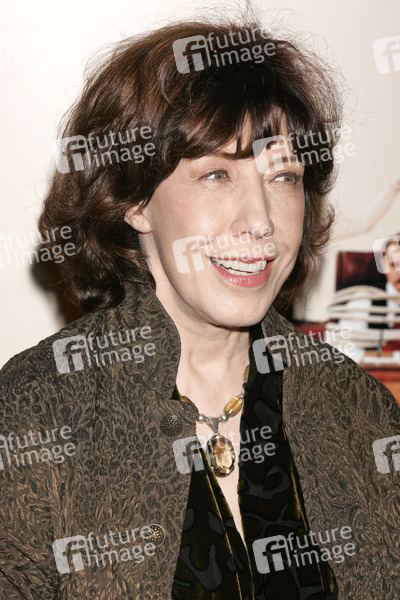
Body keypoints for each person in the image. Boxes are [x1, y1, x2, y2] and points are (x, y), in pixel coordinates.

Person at [1, 18, 400, 600]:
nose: (261, 221)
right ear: (135, 200)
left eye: (284, 177)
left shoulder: (362, 411)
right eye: (217, 174)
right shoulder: (32, 416)